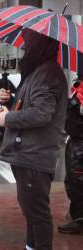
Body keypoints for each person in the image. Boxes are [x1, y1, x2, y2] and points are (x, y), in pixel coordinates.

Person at [0, 28, 68, 250]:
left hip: (33, 155)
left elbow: (41, 114)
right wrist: (10, 101)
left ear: (39, 45)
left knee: (37, 214)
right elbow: (31, 105)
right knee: (32, 211)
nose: (25, 49)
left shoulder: (47, 74)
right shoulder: (40, 71)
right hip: (28, 154)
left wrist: (8, 118)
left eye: (29, 44)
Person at [58, 75, 83, 234]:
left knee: (78, 183)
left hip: (80, 145)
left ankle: (80, 219)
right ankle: (77, 215)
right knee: (73, 182)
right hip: (75, 142)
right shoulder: (78, 89)